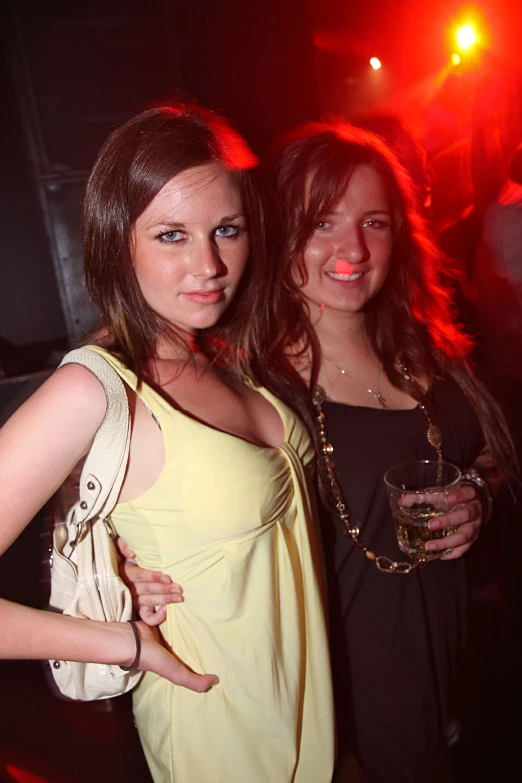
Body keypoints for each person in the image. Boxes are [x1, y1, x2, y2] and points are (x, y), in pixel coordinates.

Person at [0, 106, 334, 783]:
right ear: (117, 242)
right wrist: (124, 642)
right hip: (220, 737)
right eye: (172, 234)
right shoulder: (96, 389)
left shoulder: (222, 355)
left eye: (227, 230)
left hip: (310, 721)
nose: (208, 264)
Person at [263, 122, 516, 782]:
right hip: (355, 734)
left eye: (374, 222)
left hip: (462, 701)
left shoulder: (426, 352)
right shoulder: (262, 391)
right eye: (322, 222)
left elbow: (499, 453)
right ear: (282, 232)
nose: (352, 247)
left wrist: (480, 492)